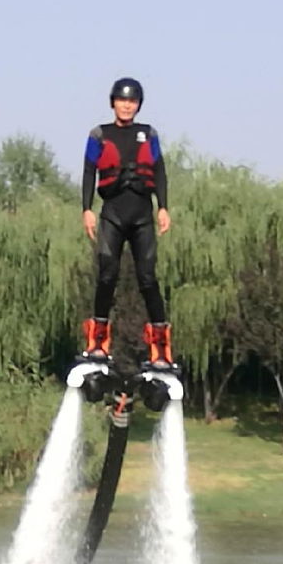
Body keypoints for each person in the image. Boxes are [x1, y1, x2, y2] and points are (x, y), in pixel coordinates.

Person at [80, 77, 175, 366]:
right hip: (113, 214)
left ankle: (160, 344)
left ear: (138, 105)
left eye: (132, 101)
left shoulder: (149, 133)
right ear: (113, 103)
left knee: (148, 278)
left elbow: (159, 171)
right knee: (107, 275)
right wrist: (86, 209)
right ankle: (98, 340)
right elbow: (88, 171)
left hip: (142, 216)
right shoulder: (99, 134)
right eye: (122, 100)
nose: (126, 105)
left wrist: (163, 207)